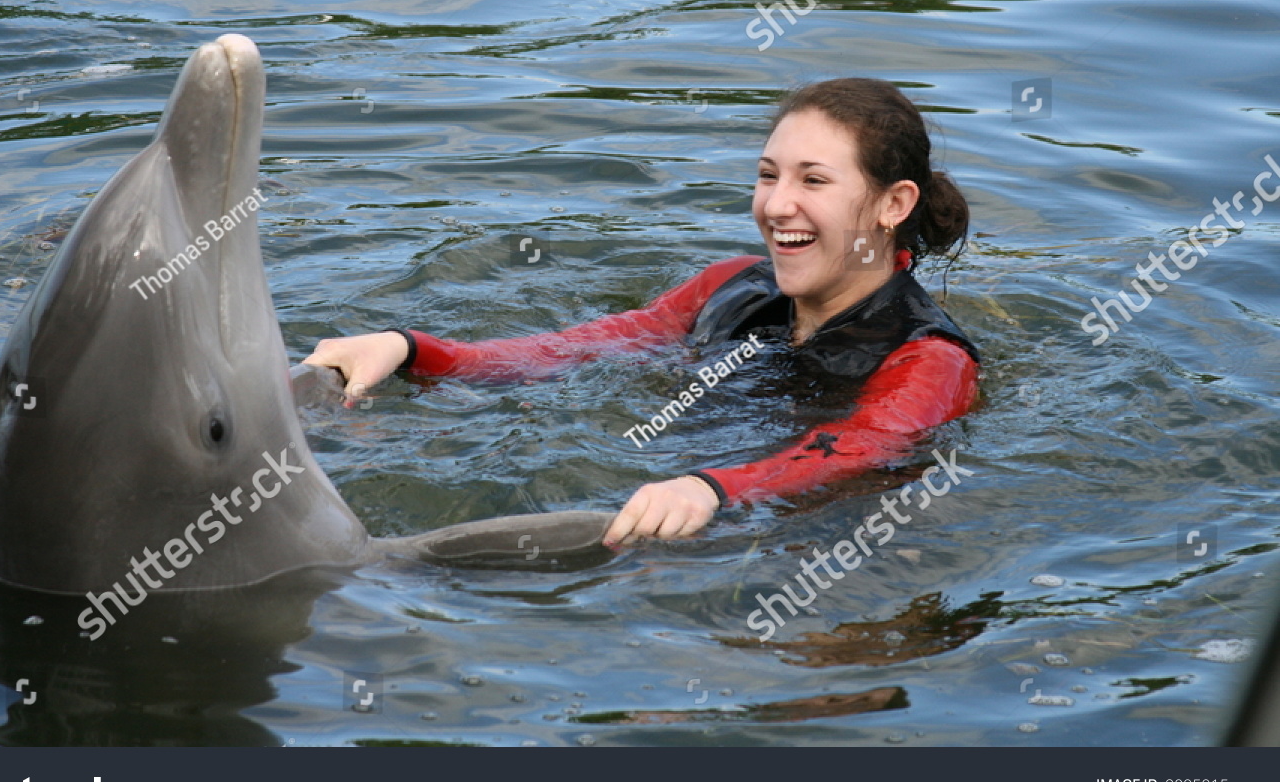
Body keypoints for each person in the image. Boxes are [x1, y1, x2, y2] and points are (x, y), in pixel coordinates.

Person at [301, 78, 979, 546]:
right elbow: (583, 346)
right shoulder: (728, 286)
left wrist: (713, 489)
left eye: (814, 180)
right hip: (676, 495)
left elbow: (864, 446)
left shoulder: (929, 359)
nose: (776, 206)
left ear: (893, 205)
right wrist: (412, 347)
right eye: (769, 174)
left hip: (808, 543)